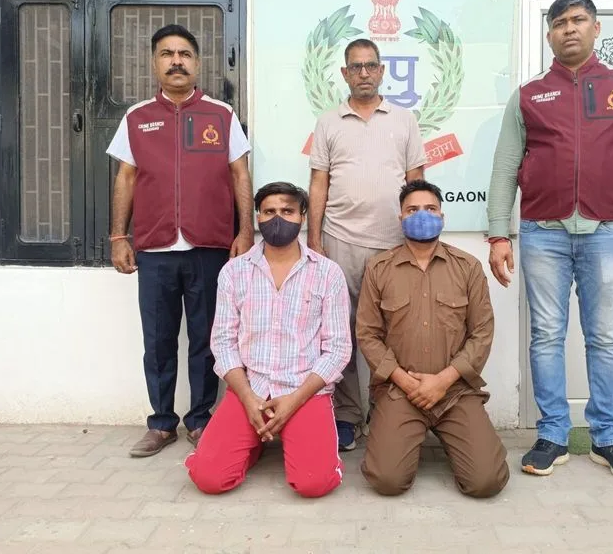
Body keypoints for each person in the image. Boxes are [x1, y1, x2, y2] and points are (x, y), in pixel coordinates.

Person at [487, 0, 613, 482]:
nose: (568, 28)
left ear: (596, 28)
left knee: (605, 336)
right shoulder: (529, 95)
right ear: (549, 34)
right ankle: (553, 433)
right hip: (542, 233)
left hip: (607, 230)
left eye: (578, 20)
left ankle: (608, 437)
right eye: (559, 23)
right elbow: (505, 167)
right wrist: (498, 234)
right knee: (547, 335)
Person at [108, 24, 255, 457]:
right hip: (154, 249)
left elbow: (240, 174)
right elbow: (126, 178)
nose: (177, 61)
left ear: (197, 63)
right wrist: (118, 236)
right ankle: (161, 423)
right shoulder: (136, 117)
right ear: (154, 63)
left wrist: (245, 231)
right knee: (158, 340)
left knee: (207, 339)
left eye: (185, 54)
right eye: (167, 54)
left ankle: (201, 420)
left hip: (209, 246)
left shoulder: (221, 114)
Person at [185, 182, 351, 498]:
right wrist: (247, 397)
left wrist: (296, 399)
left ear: (302, 217)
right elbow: (223, 341)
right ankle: (254, 443)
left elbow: (338, 348)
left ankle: (308, 447)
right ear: (258, 218)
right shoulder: (234, 272)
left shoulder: (327, 273)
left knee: (313, 483)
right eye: (269, 211)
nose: (278, 218)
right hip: (251, 390)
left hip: (304, 390)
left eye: (287, 211)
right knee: (208, 478)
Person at [308, 38, 427, 451]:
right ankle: (346, 415)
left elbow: (416, 182)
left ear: (381, 70)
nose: (363, 73)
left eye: (370, 65)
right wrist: (314, 239)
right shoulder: (328, 122)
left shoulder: (404, 120)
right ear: (345, 73)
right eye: (355, 66)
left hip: (394, 243)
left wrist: (416, 237)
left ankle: (387, 411)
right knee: (340, 331)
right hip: (340, 239)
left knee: (392, 331)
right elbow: (318, 183)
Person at [356, 180, 509, 497]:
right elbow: (367, 334)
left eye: (430, 208)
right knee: (386, 481)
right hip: (400, 391)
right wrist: (405, 381)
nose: (422, 215)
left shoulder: (467, 267)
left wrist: (444, 380)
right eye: (412, 210)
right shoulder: (379, 268)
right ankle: (389, 424)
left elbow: (482, 332)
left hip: (455, 391)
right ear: (400, 218)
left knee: (487, 482)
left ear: (442, 216)